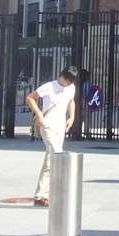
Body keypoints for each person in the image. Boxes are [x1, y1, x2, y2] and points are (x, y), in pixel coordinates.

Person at [26, 65, 80, 206]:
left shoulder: (71, 88)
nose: (68, 84)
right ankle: (57, 192)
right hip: (47, 124)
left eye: (70, 82)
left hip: (60, 126)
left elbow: (71, 101)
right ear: (62, 76)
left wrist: (72, 116)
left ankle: (40, 195)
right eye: (67, 80)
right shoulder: (49, 86)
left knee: (50, 160)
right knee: (57, 154)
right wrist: (38, 113)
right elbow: (30, 97)